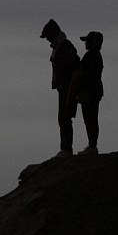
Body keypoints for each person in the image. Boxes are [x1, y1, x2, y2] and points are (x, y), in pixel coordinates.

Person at [40, 19, 79, 157]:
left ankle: (66, 148)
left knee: (64, 117)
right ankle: (66, 148)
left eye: (48, 36)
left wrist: (64, 84)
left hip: (67, 88)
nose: (47, 40)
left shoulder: (63, 47)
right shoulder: (62, 46)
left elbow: (68, 69)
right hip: (64, 87)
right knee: (63, 117)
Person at [68, 31, 104, 155]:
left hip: (90, 92)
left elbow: (82, 72)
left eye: (88, 41)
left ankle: (92, 145)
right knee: (91, 118)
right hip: (94, 91)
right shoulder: (96, 56)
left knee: (90, 118)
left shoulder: (91, 56)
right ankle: (92, 145)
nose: (85, 43)